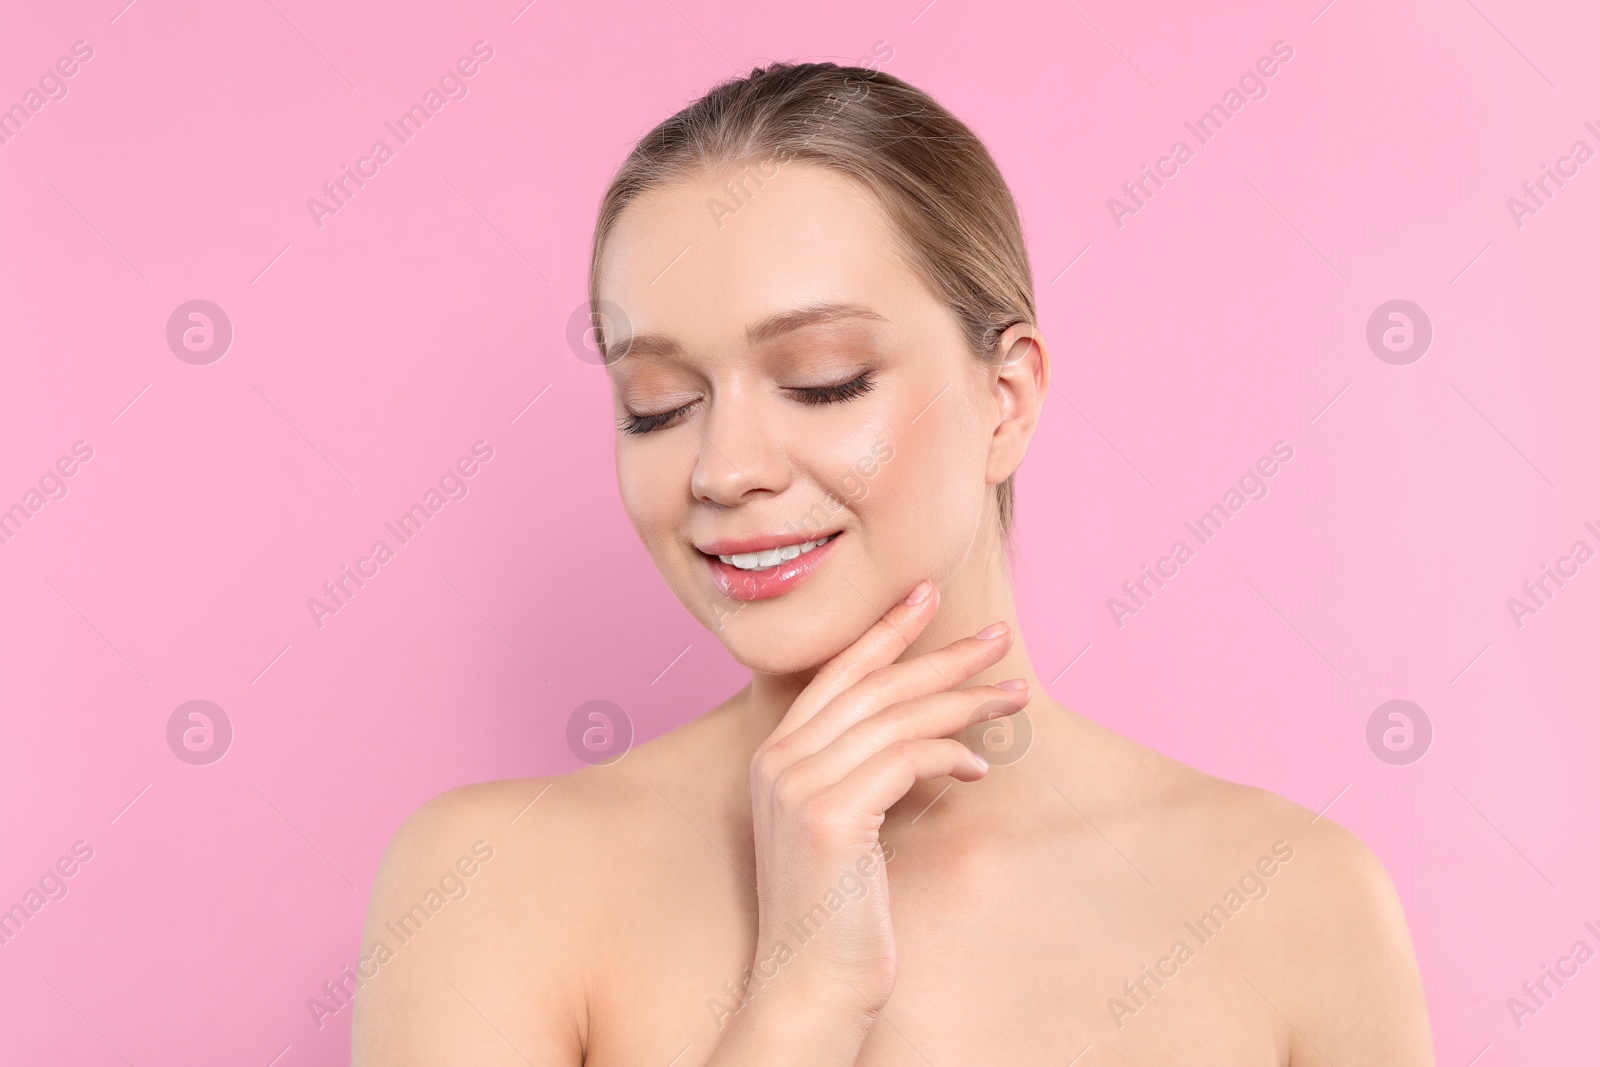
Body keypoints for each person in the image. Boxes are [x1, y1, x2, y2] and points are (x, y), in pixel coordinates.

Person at [352, 61, 1432, 1065]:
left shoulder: (1293, 903)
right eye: (659, 405)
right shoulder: (489, 886)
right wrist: (803, 996)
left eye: (821, 381)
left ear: (1004, 400)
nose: (722, 469)